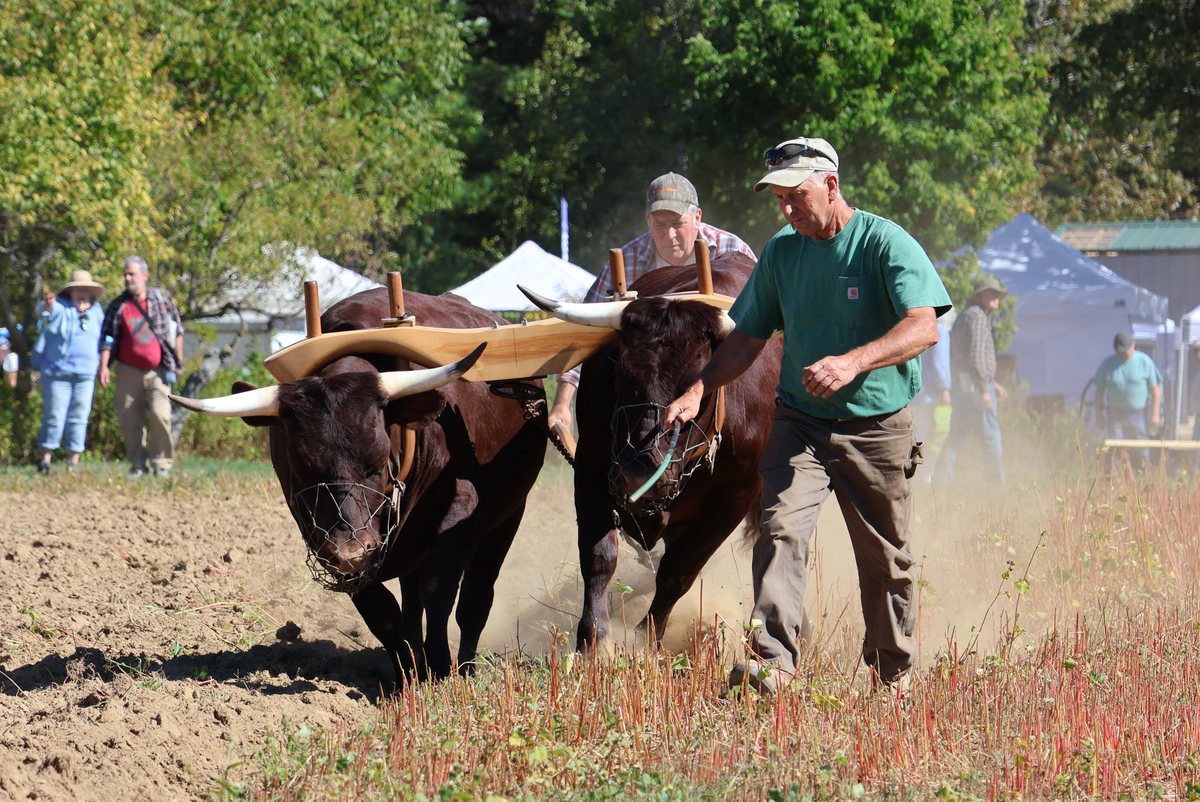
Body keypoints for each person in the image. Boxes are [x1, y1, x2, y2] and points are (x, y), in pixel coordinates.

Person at [664, 137, 951, 695]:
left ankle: (892, 672)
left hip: (876, 426)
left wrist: (854, 361)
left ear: (831, 185)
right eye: (780, 201)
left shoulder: (884, 244)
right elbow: (747, 337)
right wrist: (700, 387)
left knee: (884, 557)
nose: (788, 210)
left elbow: (924, 325)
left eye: (797, 196)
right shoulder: (781, 253)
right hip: (800, 422)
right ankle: (772, 662)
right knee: (779, 530)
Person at [546, 172, 756, 432]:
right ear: (647, 222)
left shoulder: (733, 253)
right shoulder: (626, 262)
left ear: (697, 217)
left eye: (678, 223)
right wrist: (562, 404)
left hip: (724, 391)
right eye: (659, 223)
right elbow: (582, 332)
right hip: (645, 396)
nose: (669, 234)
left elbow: (762, 329)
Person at [98, 256, 186, 478]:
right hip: (127, 369)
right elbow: (107, 338)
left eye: (132, 274)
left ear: (145, 275)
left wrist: (178, 360)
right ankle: (138, 465)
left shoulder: (162, 299)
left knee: (160, 414)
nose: (128, 278)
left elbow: (178, 330)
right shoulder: (118, 305)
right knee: (129, 419)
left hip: (158, 369)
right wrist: (104, 366)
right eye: (125, 274)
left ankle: (162, 464)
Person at [30, 271, 107, 473]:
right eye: (77, 289)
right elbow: (47, 312)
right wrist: (48, 306)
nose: (81, 293)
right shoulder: (62, 308)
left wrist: (103, 366)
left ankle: (73, 463)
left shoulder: (97, 311)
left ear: (91, 292)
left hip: (86, 374)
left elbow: (105, 338)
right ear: (70, 291)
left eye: (85, 289)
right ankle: (45, 461)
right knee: (54, 415)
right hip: (57, 372)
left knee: (80, 416)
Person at [934, 276, 1008, 485]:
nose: (997, 297)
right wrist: (985, 388)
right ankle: (997, 488)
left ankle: (939, 485)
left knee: (956, 436)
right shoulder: (977, 317)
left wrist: (991, 382)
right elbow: (975, 357)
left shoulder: (968, 315)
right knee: (991, 438)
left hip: (967, 386)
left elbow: (967, 358)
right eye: (991, 293)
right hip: (976, 388)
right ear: (979, 295)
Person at [1094, 331, 1162, 473]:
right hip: (1114, 414)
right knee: (1115, 447)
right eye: (1120, 352)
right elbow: (1099, 391)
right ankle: (1115, 479)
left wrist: (1155, 414)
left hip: (1137, 414)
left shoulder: (1144, 362)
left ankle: (1144, 476)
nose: (1123, 354)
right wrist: (1099, 415)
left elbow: (1155, 390)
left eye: (1125, 351)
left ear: (1133, 346)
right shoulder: (1107, 364)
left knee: (1141, 445)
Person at [913, 319, 952, 449]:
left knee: (915, 433)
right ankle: (923, 468)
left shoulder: (916, 327)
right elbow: (940, 362)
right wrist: (944, 389)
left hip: (915, 392)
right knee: (927, 437)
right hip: (929, 394)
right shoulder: (939, 330)